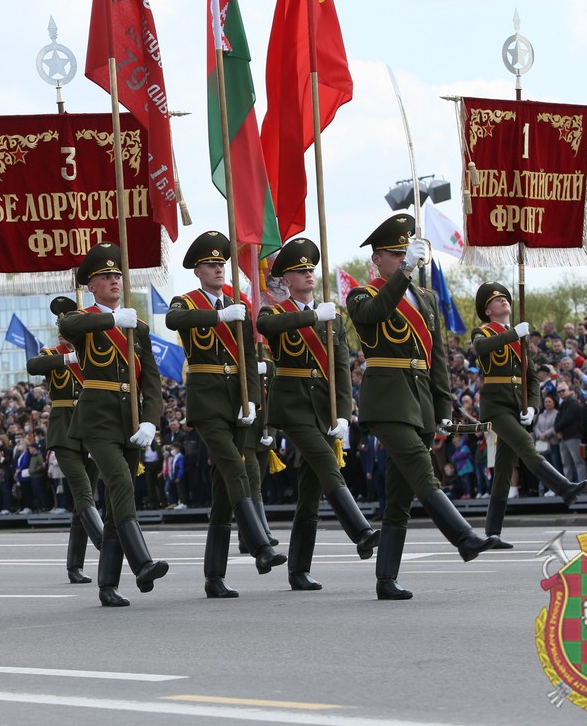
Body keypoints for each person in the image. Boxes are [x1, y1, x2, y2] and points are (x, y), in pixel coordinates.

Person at [345, 215, 495, 601]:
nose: (401, 259)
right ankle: (463, 538)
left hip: (420, 401)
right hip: (387, 400)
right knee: (421, 470)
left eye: (405, 254)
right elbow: (372, 316)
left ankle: (385, 580)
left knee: (398, 495)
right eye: (395, 255)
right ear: (378, 259)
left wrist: (443, 404)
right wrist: (407, 271)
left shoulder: (426, 298)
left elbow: (437, 357)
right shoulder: (361, 295)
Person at [257, 236, 378, 592]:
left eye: (310, 269)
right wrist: (311, 316)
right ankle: (361, 531)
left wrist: (343, 412)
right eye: (299, 271)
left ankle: (298, 570)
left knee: (309, 491)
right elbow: (267, 329)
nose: (308, 275)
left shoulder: (333, 319)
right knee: (327, 464)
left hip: (323, 407)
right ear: (287, 280)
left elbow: (341, 367)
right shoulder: (275, 312)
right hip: (292, 405)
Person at [167, 231, 284, 599]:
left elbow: (249, 356)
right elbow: (174, 321)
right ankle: (260, 547)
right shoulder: (186, 302)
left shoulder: (238, 303)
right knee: (235, 467)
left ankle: (214, 576)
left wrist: (253, 399)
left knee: (226, 490)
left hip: (236, 399)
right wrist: (218, 314)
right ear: (198, 271)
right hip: (207, 403)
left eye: (222, 264)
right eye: (212, 265)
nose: (219, 269)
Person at [60, 242, 168, 607]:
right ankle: (142, 562)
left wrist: (152, 422)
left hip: (131, 420)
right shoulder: (88, 320)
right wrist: (109, 319)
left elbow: (151, 381)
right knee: (120, 482)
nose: (114, 281)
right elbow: (67, 323)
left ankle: (107, 585)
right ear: (91, 286)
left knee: (117, 503)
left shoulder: (137, 326)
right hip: (97, 419)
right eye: (106, 277)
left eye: (117, 276)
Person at [469, 282, 587, 549]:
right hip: (496, 407)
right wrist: (513, 334)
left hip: (516, 406)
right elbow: (482, 349)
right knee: (526, 446)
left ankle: (492, 533)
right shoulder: (483, 332)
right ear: (488, 310)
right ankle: (564, 488)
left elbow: (532, 378)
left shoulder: (519, 338)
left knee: (502, 471)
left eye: (504, 298)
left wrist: (533, 406)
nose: (503, 301)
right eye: (497, 300)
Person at [26, 296, 103, 585]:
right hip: (64, 429)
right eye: (59, 324)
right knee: (83, 493)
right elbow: (34, 366)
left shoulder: (95, 352)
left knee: (84, 502)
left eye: (67, 323)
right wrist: (68, 358)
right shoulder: (51, 352)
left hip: (93, 427)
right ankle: (106, 547)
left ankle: (74, 565)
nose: (62, 330)